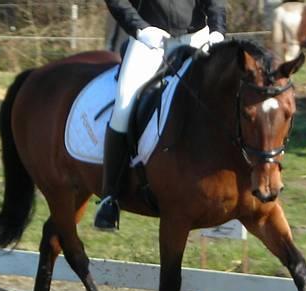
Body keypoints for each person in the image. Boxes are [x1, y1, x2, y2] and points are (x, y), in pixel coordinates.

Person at [95, 0, 227, 230]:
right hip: (150, 41)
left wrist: (217, 30)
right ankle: (110, 197)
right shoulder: (146, 34)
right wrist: (140, 28)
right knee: (124, 105)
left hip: (196, 38)